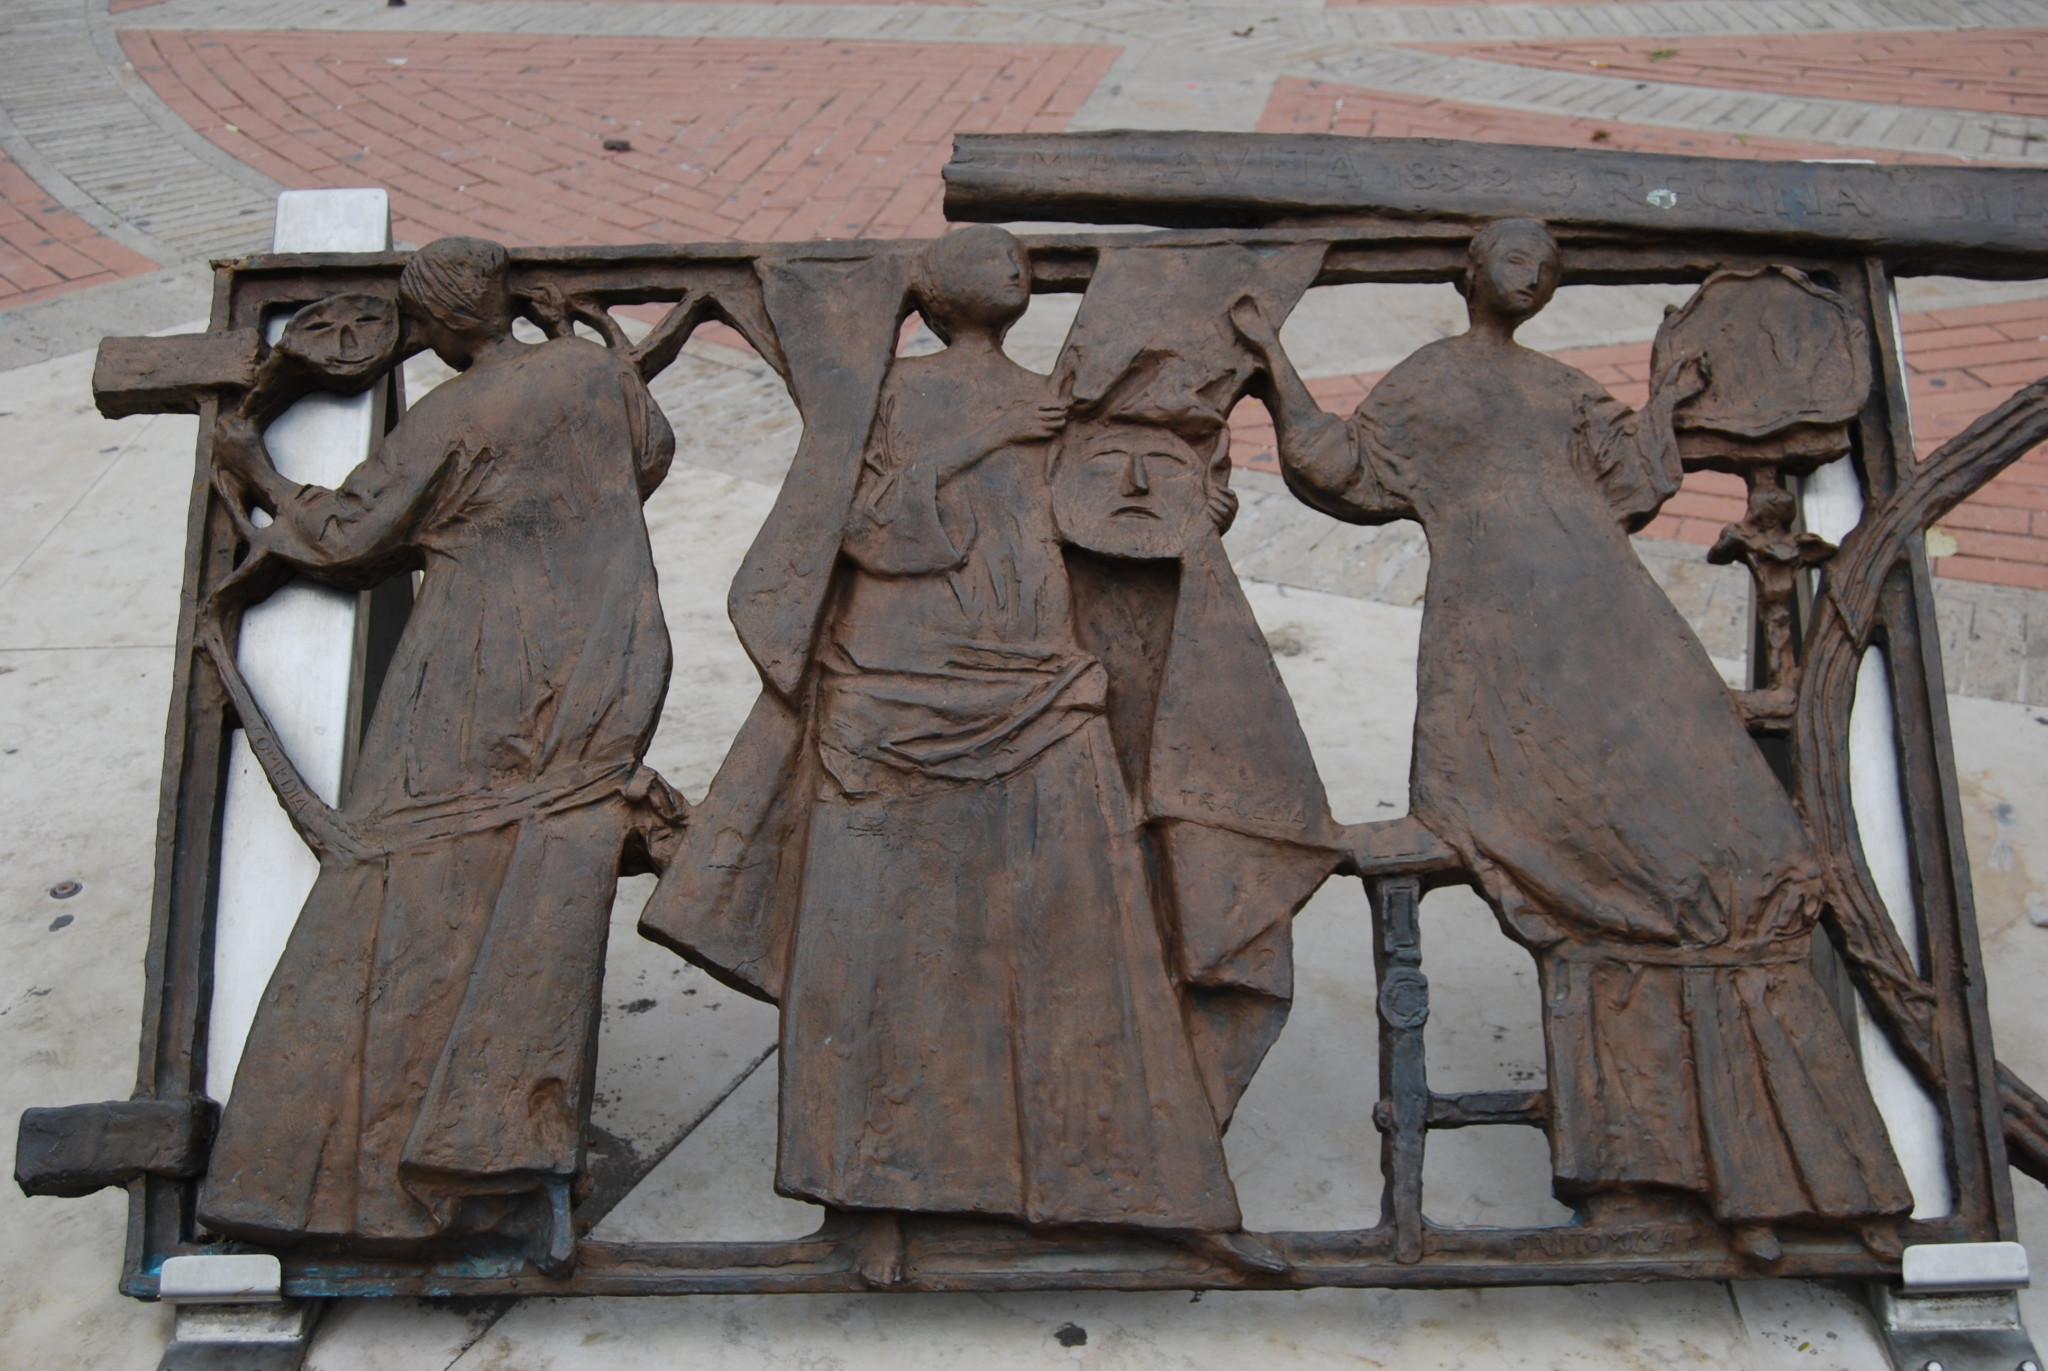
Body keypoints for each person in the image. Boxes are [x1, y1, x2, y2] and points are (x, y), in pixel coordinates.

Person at [643, 226, 1319, 1279]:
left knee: (1090, 946)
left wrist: (1187, 508)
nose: (1008, 271)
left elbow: (1106, 530)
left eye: (1014, 261)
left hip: (1038, 690)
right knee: (879, 953)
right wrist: (985, 439)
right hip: (893, 690)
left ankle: (1152, 1187)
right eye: (985, 260)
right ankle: (871, 1200)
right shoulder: (886, 399)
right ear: (933, 291)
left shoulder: (1060, 402)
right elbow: (865, 531)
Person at [1231, 218, 1912, 1260]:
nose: (1530, 275)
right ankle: (1652, 1176)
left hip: (1617, 628)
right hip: (1501, 646)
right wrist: (1272, 365)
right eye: (1512, 258)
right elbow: (1346, 470)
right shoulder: (1432, 377)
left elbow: (1630, 483)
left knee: (1735, 848)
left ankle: (1792, 1175)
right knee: (1592, 862)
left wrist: (1667, 402)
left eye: (1544, 267)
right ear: (1469, 274)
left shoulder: (1559, 386)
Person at [197, 236, 675, 1275]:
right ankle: (506, 1159)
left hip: (480, 671)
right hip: (607, 652)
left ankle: (363, 1174)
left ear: (442, 323)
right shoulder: (590, 372)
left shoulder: (450, 416)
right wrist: (570, 333)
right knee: (539, 887)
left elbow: (346, 537)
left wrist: (255, 467)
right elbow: (648, 456)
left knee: (408, 884)